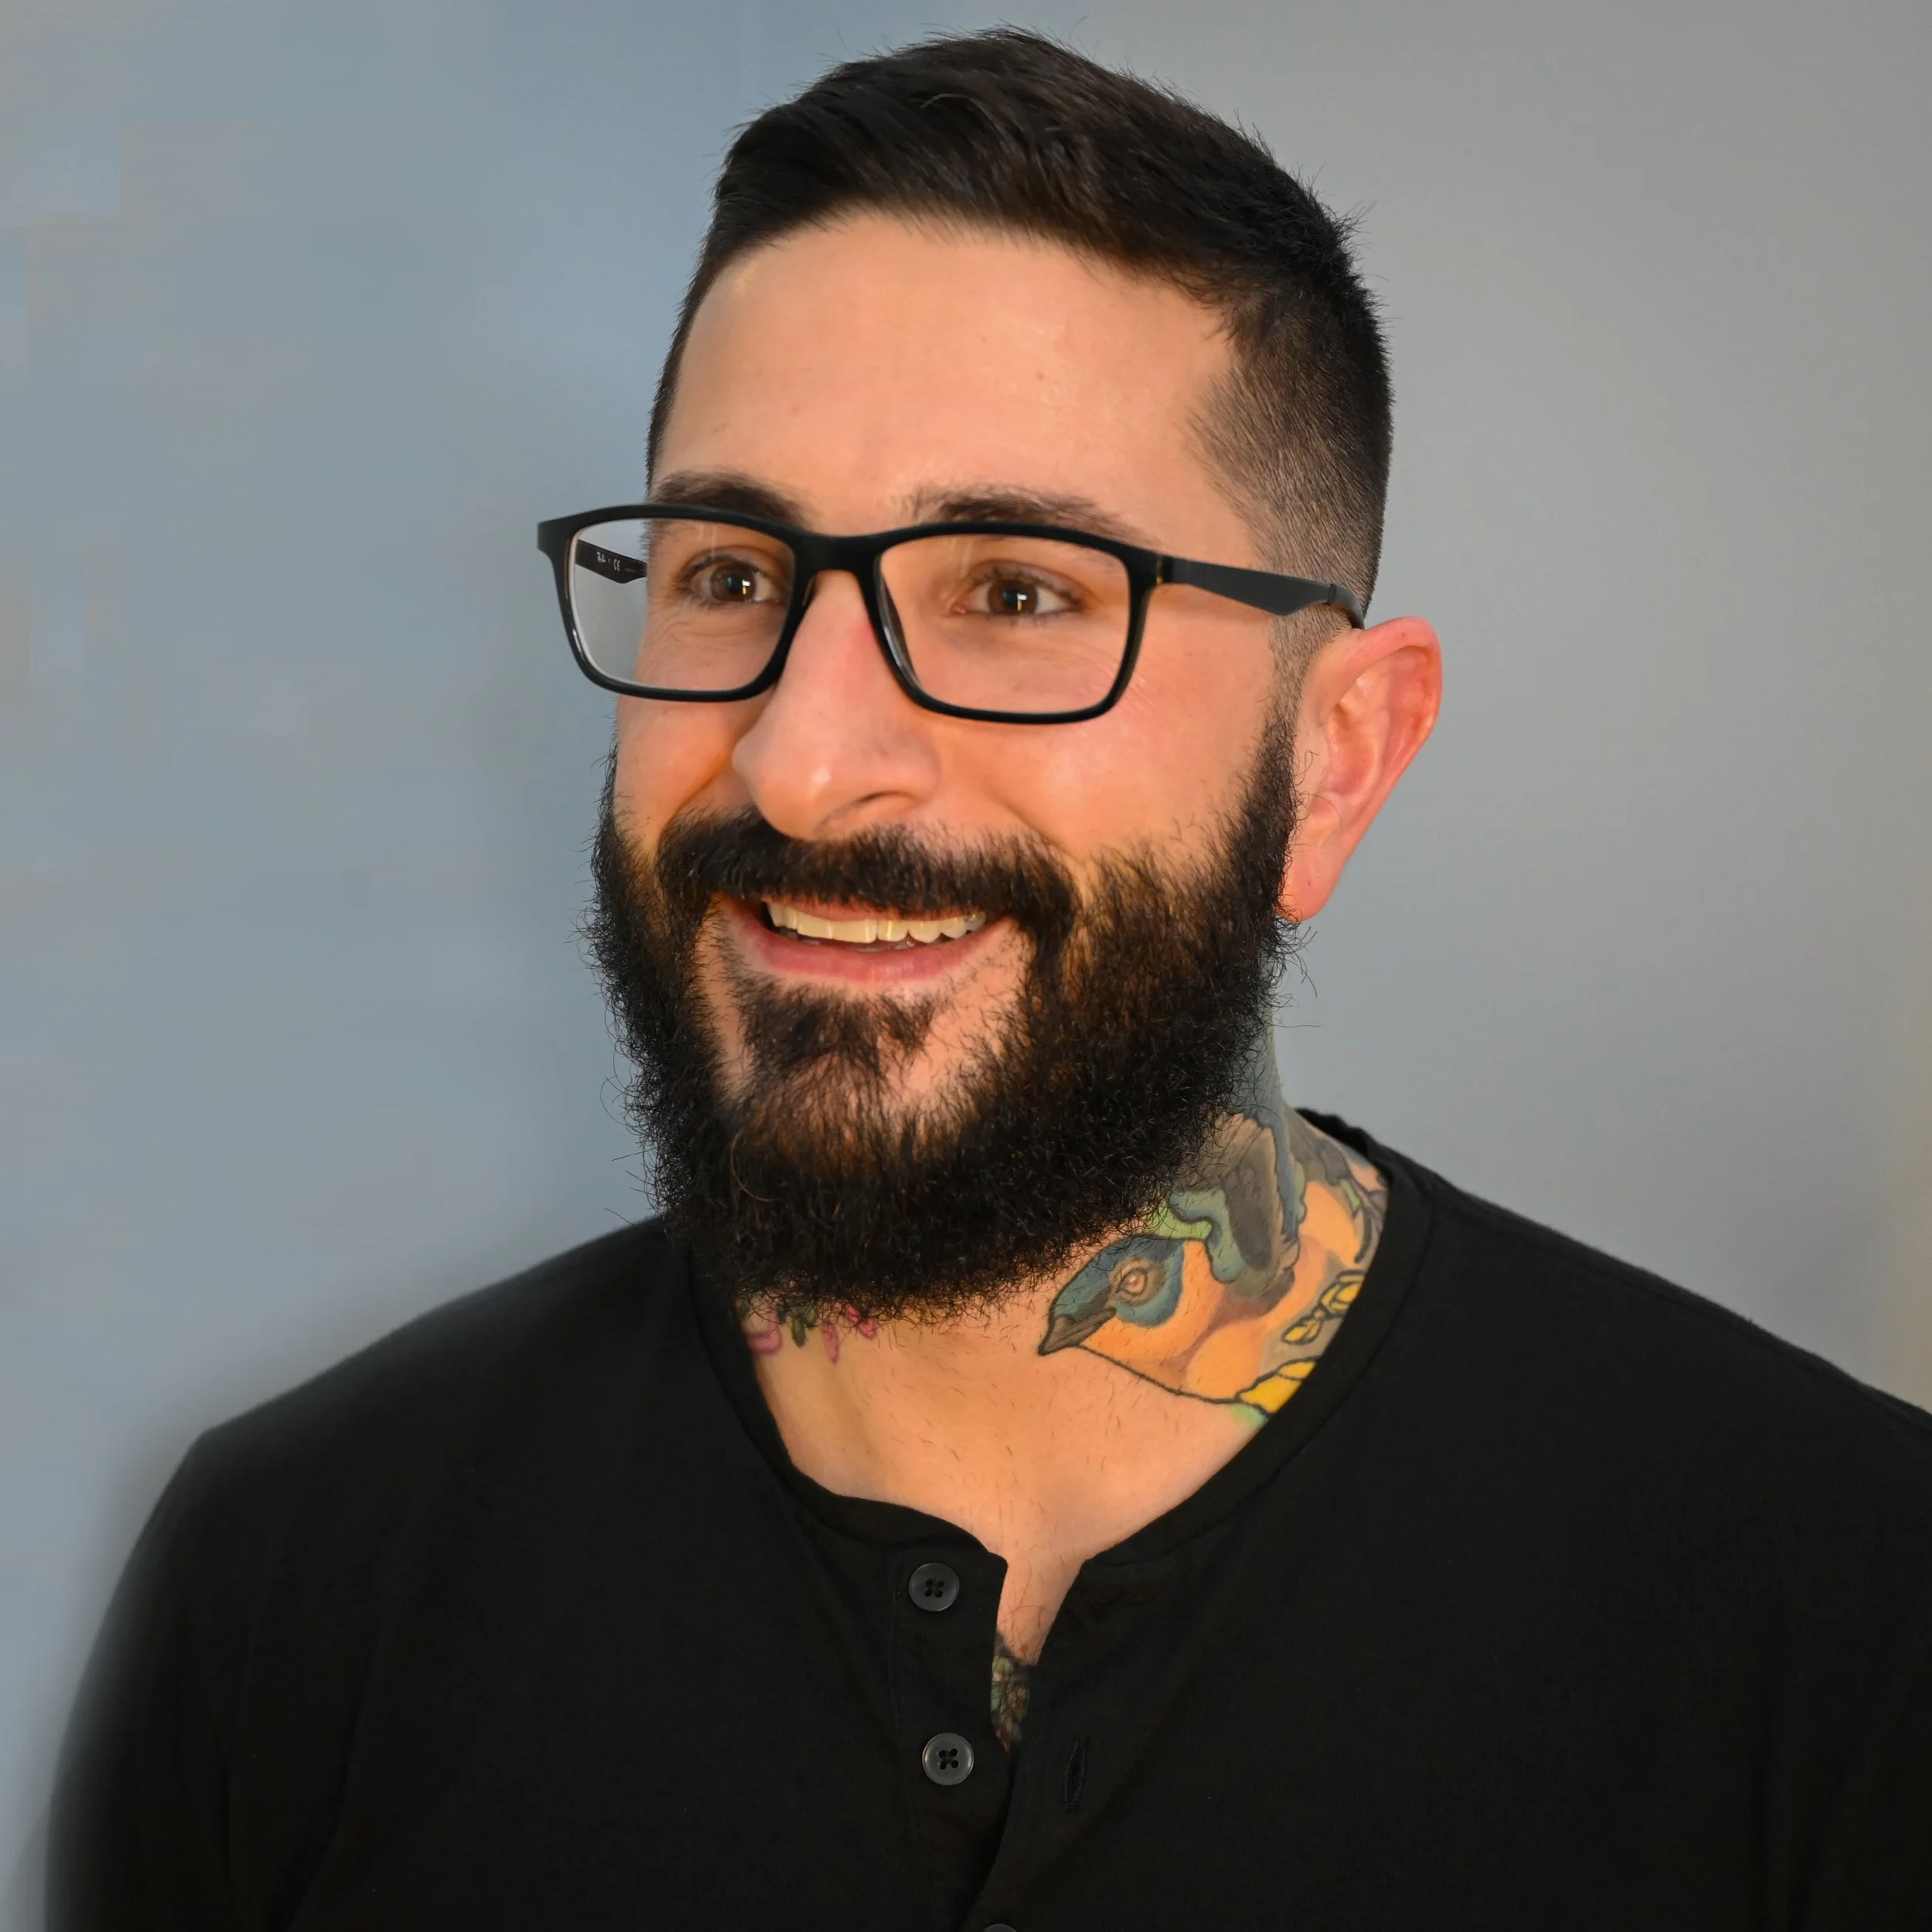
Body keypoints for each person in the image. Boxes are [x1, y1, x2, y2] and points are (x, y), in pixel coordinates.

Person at [51, 29, 1932, 1930]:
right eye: (728, 572)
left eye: (1017, 594)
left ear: (1336, 754)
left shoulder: (1849, 1614)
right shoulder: (291, 1572)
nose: (799, 758)